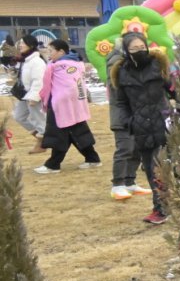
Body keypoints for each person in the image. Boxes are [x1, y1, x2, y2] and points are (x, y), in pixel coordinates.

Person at [110, 32, 172, 224]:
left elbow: (175, 89)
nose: (139, 51)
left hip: (163, 123)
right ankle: (162, 207)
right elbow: (121, 102)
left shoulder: (159, 65)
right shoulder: (121, 72)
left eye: (141, 47)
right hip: (140, 127)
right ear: (126, 51)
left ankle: (162, 208)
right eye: (134, 49)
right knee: (149, 169)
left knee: (160, 167)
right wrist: (128, 120)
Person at [36, 39, 103, 175]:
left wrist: (48, 100)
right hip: (75, 104)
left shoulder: (56, 67)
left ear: (61, 51)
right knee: (77, 131)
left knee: (59, 134)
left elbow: (52, 87)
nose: (49, 54)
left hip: (60, 106)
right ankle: (92, 158)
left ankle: (53, 165)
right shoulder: (76, 64)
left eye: (51, 51)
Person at [11, 34, 47, 154]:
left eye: (23, 43)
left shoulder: (37, 61)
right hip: (24, 94)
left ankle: (42, 143)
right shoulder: (24, 60)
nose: (20, 45)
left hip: (33, 96)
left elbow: (39, 81)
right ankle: (41, 139)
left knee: (39, 120)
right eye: (20, 43)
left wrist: (35, 97)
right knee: (19, 116)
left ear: (31, 45)